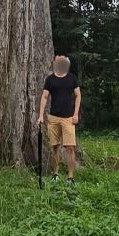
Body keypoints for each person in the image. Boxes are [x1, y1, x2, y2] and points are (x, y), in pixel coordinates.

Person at [37, 52, 81, 180]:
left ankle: (70, 177)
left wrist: (76, 113)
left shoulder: (72, 78)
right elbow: (45, 97)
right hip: (53, 118)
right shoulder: (50, 79)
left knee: (70, 148)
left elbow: (78, 95)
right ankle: (55, 174)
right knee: (54, 147)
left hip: (68, 118)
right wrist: (40, 115)